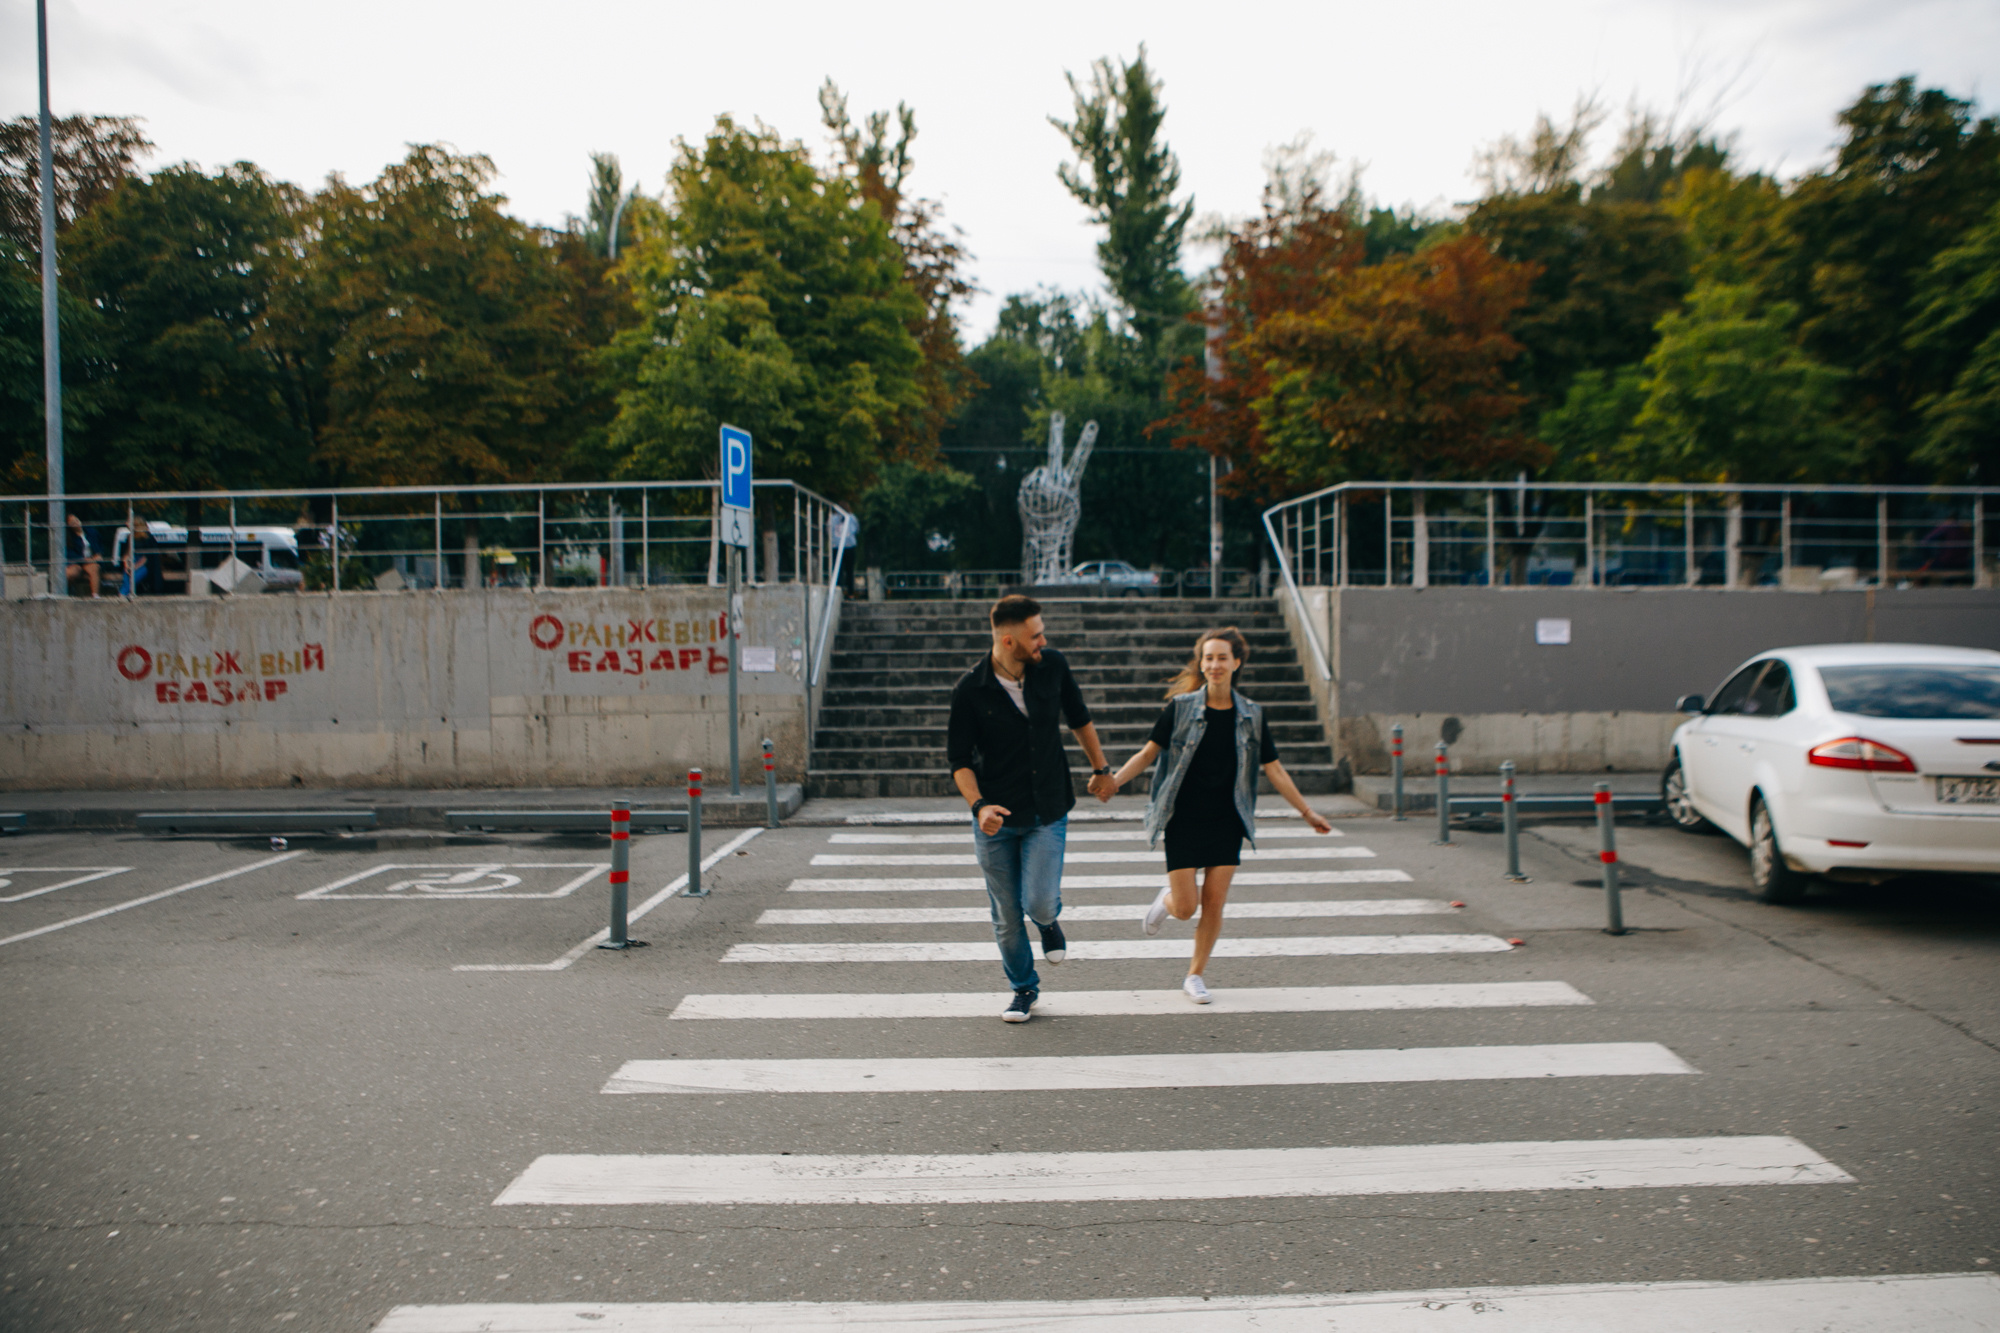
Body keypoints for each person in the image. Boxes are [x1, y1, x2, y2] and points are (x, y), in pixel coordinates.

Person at [1106, 626, 1333, 1003]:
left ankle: (1195, 975)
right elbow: (1148, 754)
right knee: (1186, 907)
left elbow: (1274, 769)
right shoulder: (1179, 709)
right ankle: (1167, 902)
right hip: (1183, 817)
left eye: (1222, 658)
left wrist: (1307, 812)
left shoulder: (1253, 716)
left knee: (1214, 902)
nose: (1214, 664)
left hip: (1227, 819)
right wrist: (1113, 782)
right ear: (1201, 663)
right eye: (1208, 658)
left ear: (1236, 663)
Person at [948, 595, 1116, 1023]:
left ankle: (1046, 922)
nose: (1043, 640)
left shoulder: (1053, 667)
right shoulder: (970, 689)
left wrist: (1102, 768)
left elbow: (1080, 718)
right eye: (1035, 635)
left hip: (1047, 808)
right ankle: (1023, 988)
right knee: (1006, 916)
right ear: (1009, 640)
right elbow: (959, 761)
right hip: (997, 818)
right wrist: (978, 806)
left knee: (1038, 902)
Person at [64, 514, 102, 597]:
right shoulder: (68, 538)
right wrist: (84, 560)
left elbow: (97, 549)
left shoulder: (91, 532)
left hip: (91, 560)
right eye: (72, 522)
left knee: (94, 568)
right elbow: (70, 554)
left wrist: (97, 555)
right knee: (70, 572)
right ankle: (66, 592)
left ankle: (95, 595)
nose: (76, 523)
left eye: (76, 520)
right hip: (77, 561)